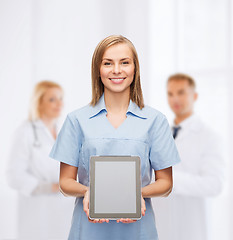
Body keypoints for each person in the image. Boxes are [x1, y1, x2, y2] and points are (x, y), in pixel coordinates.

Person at [49, 35, 180, 240]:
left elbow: (166, 184)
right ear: (98, 70)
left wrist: (135, 196)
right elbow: (65, 181)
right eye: (108, 63)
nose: (117, 70)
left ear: (135, 69)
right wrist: (90, 192)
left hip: (138, 231)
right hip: (88, 231)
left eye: (124, 62)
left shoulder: (155, 120)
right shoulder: (77, 120)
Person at [153, 73, 225, 240]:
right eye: (170, 94)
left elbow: (215, 184)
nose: (175, 99)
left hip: (191, 229)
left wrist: (170, 180)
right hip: (162, 227)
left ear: (195, 96)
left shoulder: (209, 137)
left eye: (181, 92)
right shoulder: (161, 134)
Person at [6, 81, 74, 240]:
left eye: (61, 98)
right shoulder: (25, 132)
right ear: (39, 102)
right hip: (37, 211)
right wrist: (49, 187)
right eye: (52, 99)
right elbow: (13, 176)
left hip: (64, 211)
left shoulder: (64, 131)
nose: (59, 104)